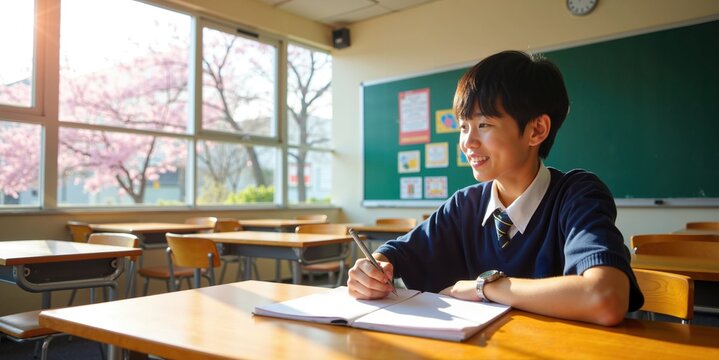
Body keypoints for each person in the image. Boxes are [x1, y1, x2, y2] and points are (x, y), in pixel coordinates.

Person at [347, 50, 643, 326]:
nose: (467, 142)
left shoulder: (576, 195)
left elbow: (605, 297)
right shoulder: (466, 204)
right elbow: (399, 254)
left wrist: (485, 288)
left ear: (536, 130)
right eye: (463, 127)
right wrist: (373, 270)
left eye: (484, 124)